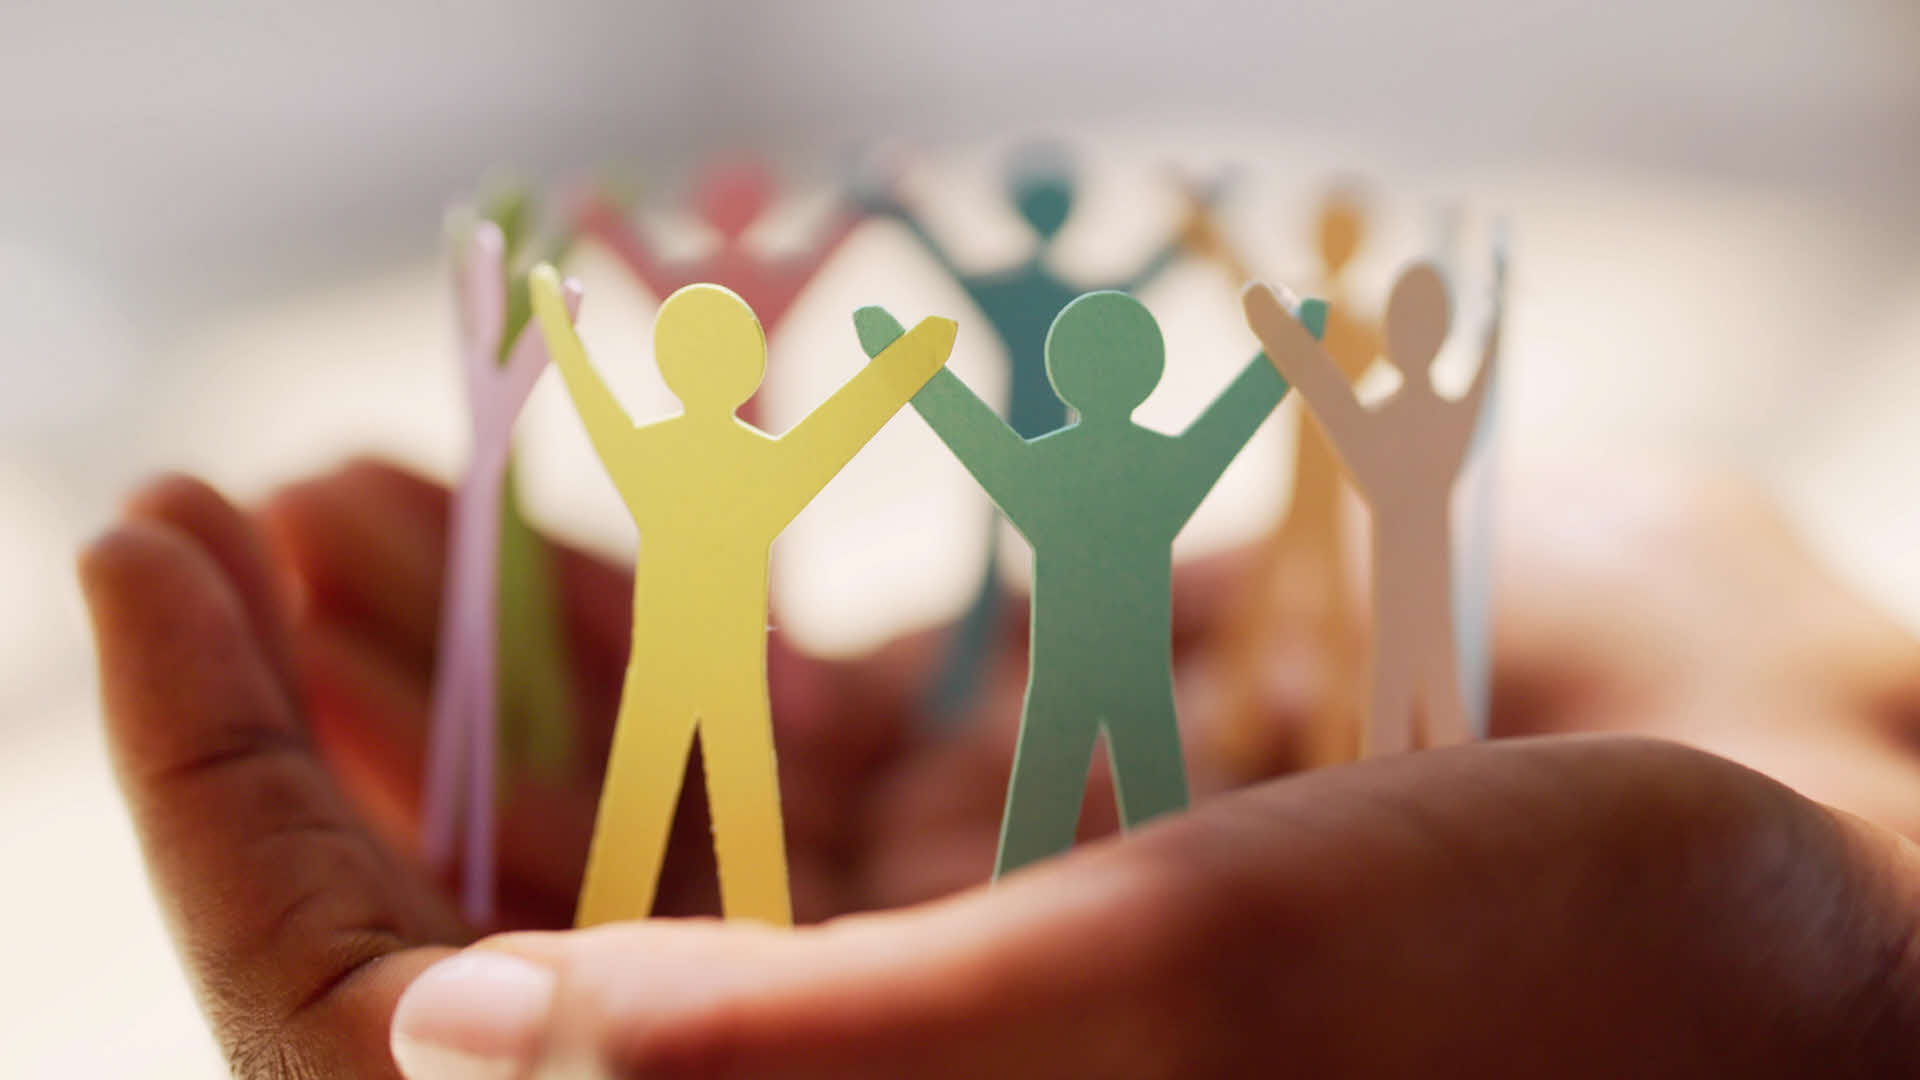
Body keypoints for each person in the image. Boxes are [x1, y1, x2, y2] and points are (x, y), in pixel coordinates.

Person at [80, 454, 1920, 1078]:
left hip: (1090, 670)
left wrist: (1872, 956)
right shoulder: (714, 444)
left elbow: (1070, 427)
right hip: (730, 674)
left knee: (1061, 795)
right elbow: (941, 428)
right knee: (692, 794)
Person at [528, 267, 955, 927]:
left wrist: (559, 333)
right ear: (751, 365)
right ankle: (747, 937)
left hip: (671, 664)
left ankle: (614, 930)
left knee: (647, 812)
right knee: (732, 808)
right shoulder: (761, 466)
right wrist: (907, 363)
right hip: (716, 666)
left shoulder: (653, 454)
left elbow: (596, 407)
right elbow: (842, 427)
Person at [858, 293, 1292, 875]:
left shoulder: (1042, 472)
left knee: (1050, 831)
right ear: (1149, 372)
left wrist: (904, 361)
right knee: (1162, 835)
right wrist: (1286, 356)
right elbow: (1231, 419)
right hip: (1132, 676)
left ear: (1061, 373)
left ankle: (1022, 932)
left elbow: (970, 433)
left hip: (1068, 675)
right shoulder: (1164, 468)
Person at [861, 146, 1203, 721]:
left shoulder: (1023, 294)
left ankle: (979, 691)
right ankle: (972, 693)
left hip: (1012, 449)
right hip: (1037, 451)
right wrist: (1193, 226)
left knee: (1021, 572)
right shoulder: (1074, 301)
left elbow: (942, 261)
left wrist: (904, 216)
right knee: (1053, 571)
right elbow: (1144, 279)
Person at [1244, 263, 1499, 754]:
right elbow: (1324, 387)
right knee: (1415, 695)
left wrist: (1280, 333)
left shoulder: (1391, 425)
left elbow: (1324, 388)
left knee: (1409, 695)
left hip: (1414, 592)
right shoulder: (1433, 420)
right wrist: (1495, 327)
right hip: (1412, 591)